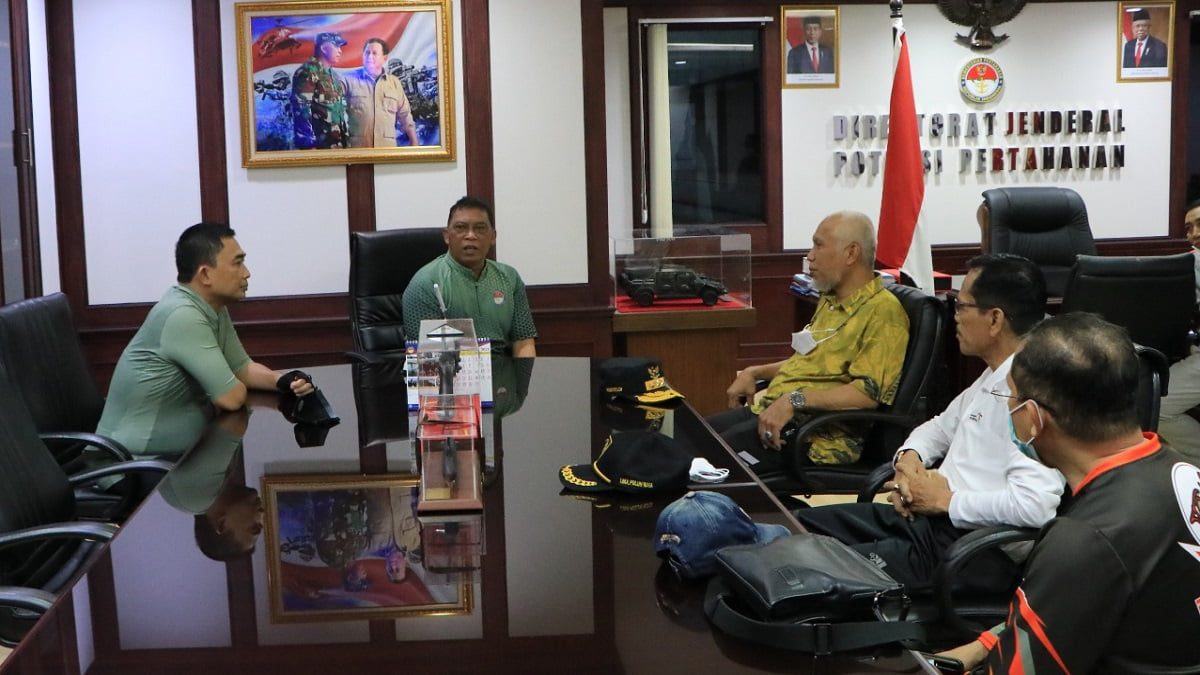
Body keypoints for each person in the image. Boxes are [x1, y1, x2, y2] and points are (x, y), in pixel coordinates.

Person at [940, 313, 1200, 673]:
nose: (1008, 406)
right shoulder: (1184, 472)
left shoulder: (1085, 538)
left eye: (1009, 396)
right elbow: (1078, 607)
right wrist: (983, 644)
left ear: (1033, 417)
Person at [791, 254, 1063, 592]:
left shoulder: (1029, 392)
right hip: (925, 522)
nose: (955, 317)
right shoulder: (995, 373)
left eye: (961, 306)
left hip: (966, 551)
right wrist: (909, 462)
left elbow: (1035, 507)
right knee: (799, 527)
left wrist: (946, 500)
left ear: (995, 320)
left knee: (807, 567)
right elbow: (937, 428)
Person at [96, 223, 315, 457]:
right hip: (132, 461)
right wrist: (231, 386)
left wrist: (282, 381)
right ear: (205, 275)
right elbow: (231, 398)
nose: (247, 273)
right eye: (237, 263)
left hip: (179, 456)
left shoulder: (213, 307)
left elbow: (241, 367)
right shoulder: (182, 315)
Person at [709, 211, 909, 466]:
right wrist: (755, 371)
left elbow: (866, 395)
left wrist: (794, 400)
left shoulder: (883, 312)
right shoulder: (831, 299)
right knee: (694, 435)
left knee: (707, 462)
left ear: (851, 253)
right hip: (777, 413)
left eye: (819, 245)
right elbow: (811, 362)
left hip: (817, 437)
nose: (810, 256)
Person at [402, 196, 538, 356]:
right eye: (461, 228)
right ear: (447, 236)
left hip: (503, 369)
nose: (471, 235)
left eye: (480, 228)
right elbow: (429, 356)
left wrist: (525, 372)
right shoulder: (425, 283)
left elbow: (523, 343)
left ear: (493, 236)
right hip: (451, 368)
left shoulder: (509, 277)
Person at [1157, 199, 1200, 459]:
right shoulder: (1190, 262)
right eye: (1188, 228)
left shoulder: (1193, 261)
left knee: (1156, 405)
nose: (1194, 234)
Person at [342, 37, 420, 148]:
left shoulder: (394, 83)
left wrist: (414, 141)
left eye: (374, 53)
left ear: (384, 58)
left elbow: (405, 114)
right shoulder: (348, 80)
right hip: (358, 151)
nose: (370, 57)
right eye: (367, 53)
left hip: (386, 151)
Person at [291, 31, 349, 149]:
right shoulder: (307, 72)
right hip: (318, 145)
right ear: (323, 48)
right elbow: (301, 111)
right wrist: (308, 145)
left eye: (340, 47)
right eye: (336, 46)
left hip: (336, 143)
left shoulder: (333, 75)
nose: (340, 51)